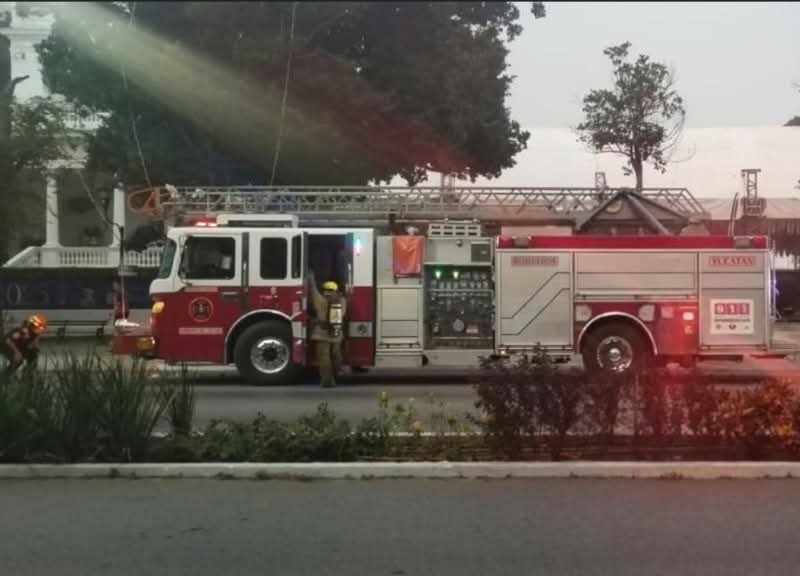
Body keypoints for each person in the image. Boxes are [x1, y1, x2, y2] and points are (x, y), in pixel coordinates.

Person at [307, 270, 347, 388]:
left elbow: (313, 291)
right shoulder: (341, 301)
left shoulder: (320, 301)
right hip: (336, 333)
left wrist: (311, 279)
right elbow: (343, 315)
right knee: (336, 355)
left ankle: (327, 381)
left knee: (324, 358)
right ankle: (337, 374)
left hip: (322, 333)